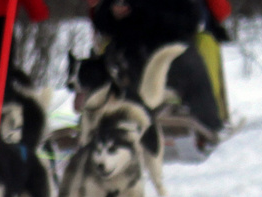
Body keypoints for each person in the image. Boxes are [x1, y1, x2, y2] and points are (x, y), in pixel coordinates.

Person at [89, 0, 224, 135]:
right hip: (131, 50)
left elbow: (191, 19)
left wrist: (148, 14)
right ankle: (113, 127)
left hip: (172, 46)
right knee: (116, 71)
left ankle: (208, 128)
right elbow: (101, 21)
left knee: (190, 67)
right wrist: (113, 14)